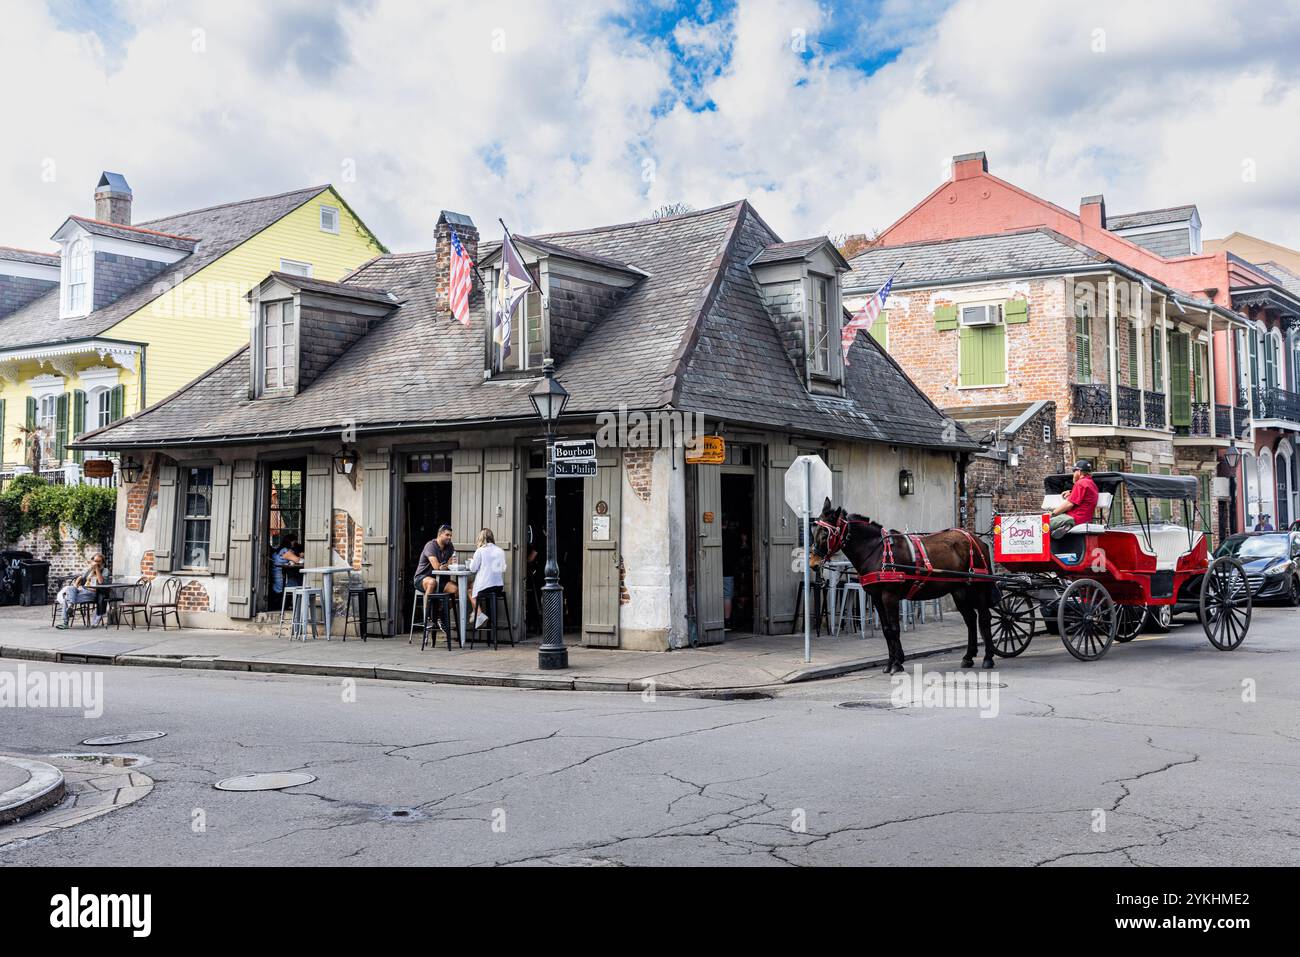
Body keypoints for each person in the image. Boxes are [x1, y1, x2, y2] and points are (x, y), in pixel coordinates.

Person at [414, 524, 458, 637]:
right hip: (422, 578)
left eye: (451, 535)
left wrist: (446, 565)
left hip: (440, 580)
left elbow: (450, 563)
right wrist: (445, 565)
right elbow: (436, 566)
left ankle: (440, 615)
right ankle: (427, 618)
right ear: (440, 534)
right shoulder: (431, 545)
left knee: (456, 590)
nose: (449, 537)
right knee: (432, 582)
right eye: (447, 535)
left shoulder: (450, 546)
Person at [468, 527, 508, 630]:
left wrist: (472, 561)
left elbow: (473, 569)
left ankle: (479, 614)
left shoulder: (480, 551)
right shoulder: (499, 551)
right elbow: (503, 568)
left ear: (481, 538)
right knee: (473, 586)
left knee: (469, 590)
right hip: (498, 587)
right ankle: (477, 613)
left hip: (486, 587)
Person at [56, 553, 110, 628]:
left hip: (93, 593)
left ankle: (65, 622)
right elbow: (82, 578)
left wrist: (97, 569)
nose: (96, 563)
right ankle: (70, 605)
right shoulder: (90, 570)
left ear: (103, 562)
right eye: (95, 561)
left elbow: (101, 582)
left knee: (66, 599)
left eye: (99, 561)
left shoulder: (105, 571)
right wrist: (77, 583)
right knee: (70, 588)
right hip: (83, 591)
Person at [1049, 460, 1100, 539]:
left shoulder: (1080, 483)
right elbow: (1084, 498)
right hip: (1085, 519)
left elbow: (1069, 504)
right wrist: (1071, 492)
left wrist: (1052, 514)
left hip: (1074, 518)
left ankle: (1066, 526)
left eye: (1074, 471)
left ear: (1079, 472)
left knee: (1042, 524)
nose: (1073, 474)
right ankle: (1063, 527)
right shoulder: (1092, 484)